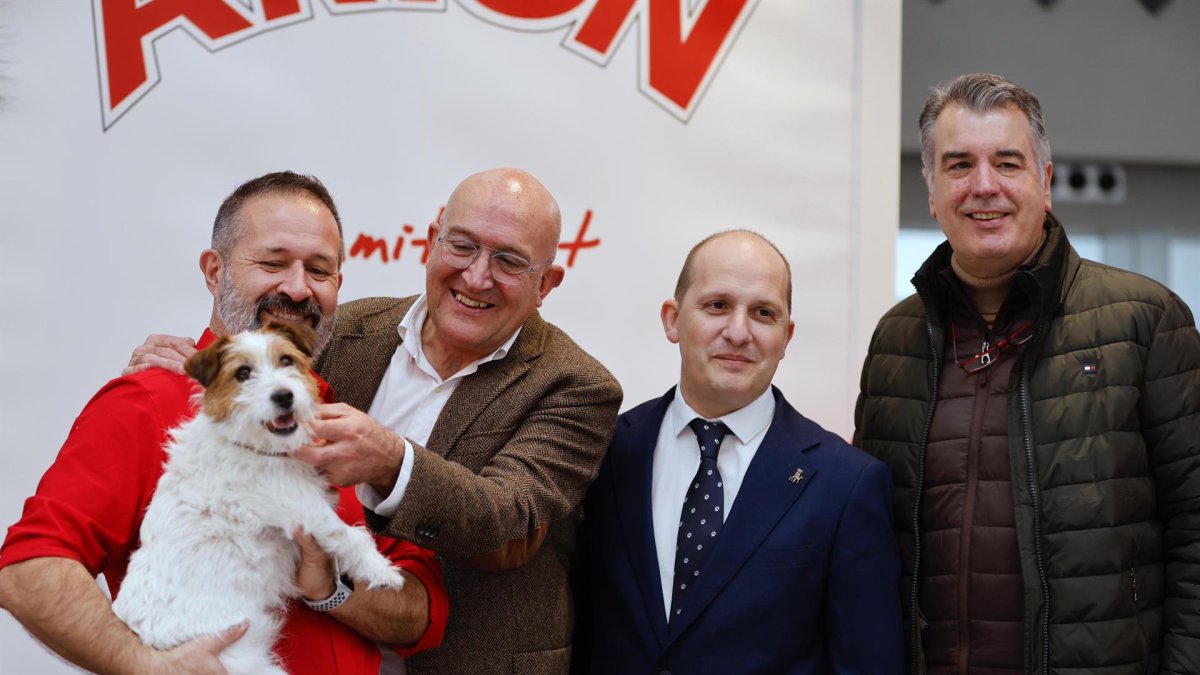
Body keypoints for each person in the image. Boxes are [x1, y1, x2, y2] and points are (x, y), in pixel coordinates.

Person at [127, 167, 623, 673]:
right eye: (463, 246)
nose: (477, 276)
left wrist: (392, 462)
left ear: (547, 283)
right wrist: (193, 362)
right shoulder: (343, 331)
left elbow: (506, 519)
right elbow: (256, 392)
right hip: (315, 652)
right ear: (432, 242)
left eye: (509, 261)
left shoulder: (578, 385)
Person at [0, 172, 447, 675]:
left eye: (319, 270)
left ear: (338, 286)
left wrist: (331, 590)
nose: (297, 288)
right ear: (214, 272)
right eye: (273, 262)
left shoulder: (343, 423)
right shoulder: (146, 400)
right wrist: (145, 666)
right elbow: (28, 569)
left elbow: (420, 613)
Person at [855, 72, 1200, 674]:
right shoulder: (896, 340)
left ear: (1043, 182)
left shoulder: (1146, 322)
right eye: (958, 165)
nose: (983, 186)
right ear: (932, 191)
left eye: (1007, 163)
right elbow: (873, 548)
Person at [576, 230, 903, 673]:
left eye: (763, 313)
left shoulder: (845, 483)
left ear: (786, 336)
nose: (737, 331)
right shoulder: (605, 449)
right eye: (717, 306)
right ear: (672, 319)